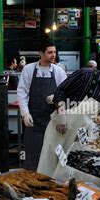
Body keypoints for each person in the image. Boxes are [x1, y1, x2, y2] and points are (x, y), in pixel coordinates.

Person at [17, 40, 67, 170]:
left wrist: (62, 116)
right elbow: (22, 92)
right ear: (40, 53)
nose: (53, 55)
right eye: (50, 52)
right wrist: (25, 113)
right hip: (33, 121)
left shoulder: (59, 71)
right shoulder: (29, 69)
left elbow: (64, 95)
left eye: (54, 52)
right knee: (33, 155)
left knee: (52, 155)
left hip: (52, 120)